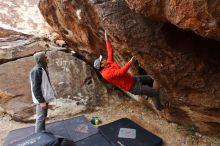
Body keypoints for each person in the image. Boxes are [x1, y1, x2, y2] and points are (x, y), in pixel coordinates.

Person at [94, 31, 164, 110]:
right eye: (102, 60)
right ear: (102, 65)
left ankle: (147, 93)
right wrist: (130, 62)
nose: (103, 58)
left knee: (151, 79)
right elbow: (121, 72)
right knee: (154, 93)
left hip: (133, 79)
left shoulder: (108, 63)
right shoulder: (106, 73)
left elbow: (110, 51)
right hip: (133, 87)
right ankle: (159, 107)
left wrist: (106, 39)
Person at [30, 51, 56, 133]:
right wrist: (41, 101)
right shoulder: (37, 70)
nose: (47, 58)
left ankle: (42, 131)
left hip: (44, 97)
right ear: (41, 59)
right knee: (40, 117)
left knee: (43, 115)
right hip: (41, 99)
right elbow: (35, 88)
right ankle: (39, 136)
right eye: (45, 57)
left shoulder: (42, 68)